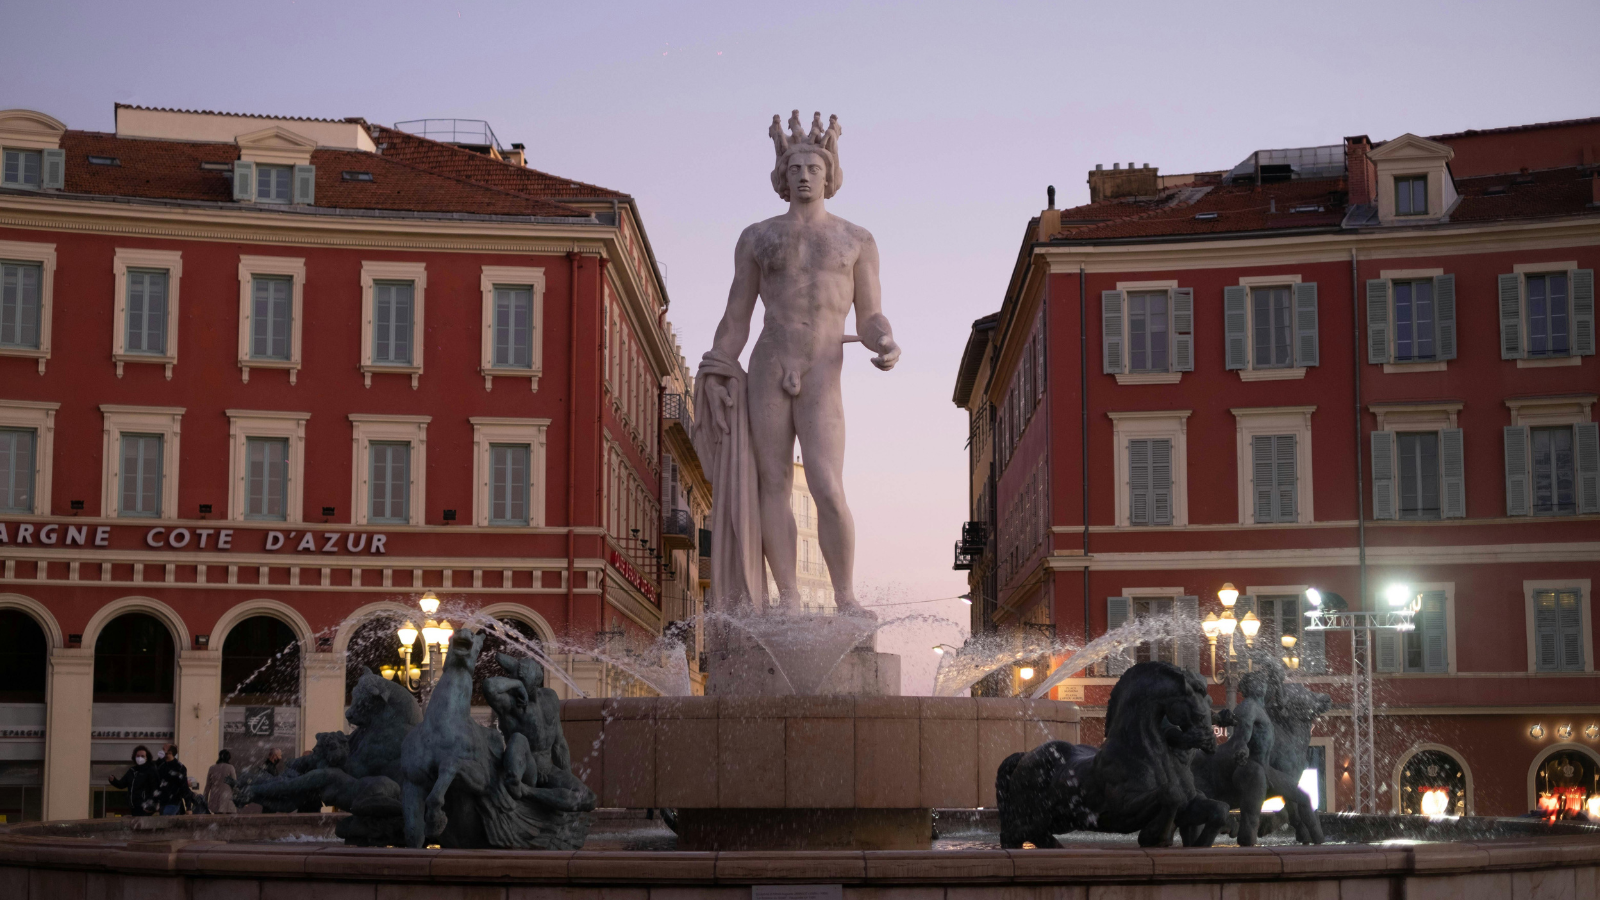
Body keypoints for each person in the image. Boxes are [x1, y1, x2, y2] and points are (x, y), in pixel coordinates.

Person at [107, 745, 157, 816]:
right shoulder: (132, 771)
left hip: (145, 807)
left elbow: (155, 788)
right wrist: (113, 780)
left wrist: (152, 805)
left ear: (147, 758)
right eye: (138, 756)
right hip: (133, 807)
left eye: (142, 756)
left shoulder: (150, 770)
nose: (140, 758)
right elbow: (122, 784)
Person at [151, 743, 193, 815]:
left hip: (173, 801)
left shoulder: (178, 767)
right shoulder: (161, 766)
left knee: (166, 821)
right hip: (165, 801)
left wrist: (188, 806)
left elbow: (184, 787)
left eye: (168, 752)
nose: (166, 754)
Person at [205, 749, 238, 815]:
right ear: (228, 758)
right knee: (229, 821)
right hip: (227, 798)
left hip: (215, 797)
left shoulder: (212, 768)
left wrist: (205, 798)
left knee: (217, 819)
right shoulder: (230, 768)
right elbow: (234, 784)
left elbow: (208, 785)